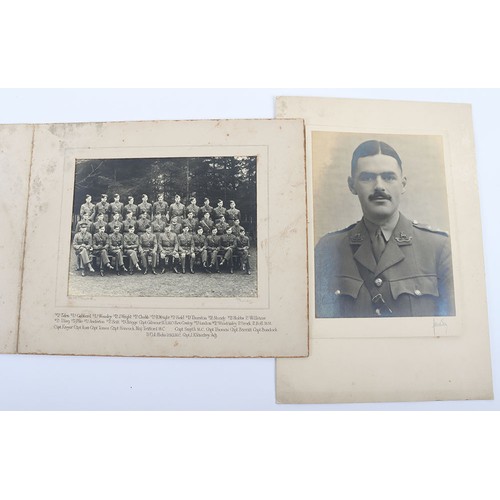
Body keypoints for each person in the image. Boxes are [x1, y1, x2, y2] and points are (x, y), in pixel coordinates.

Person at [315, 139, 455, 318]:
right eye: (367, 178)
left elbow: (451, 325)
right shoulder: (328, 249)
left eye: (389, 177)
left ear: (403, 184)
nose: (379, 186)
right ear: (352, 185)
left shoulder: (438, 248)